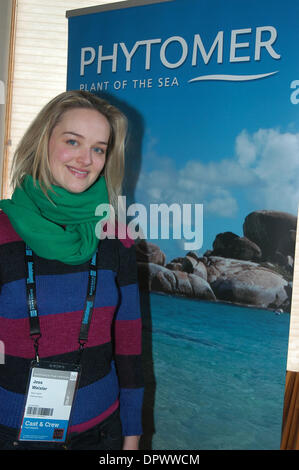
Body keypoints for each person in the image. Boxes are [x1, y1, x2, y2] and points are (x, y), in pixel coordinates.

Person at [0, 90, 144, 450]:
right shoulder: (2, 234)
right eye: (72, 141)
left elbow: (129, 347)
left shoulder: (117, 239)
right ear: (42, 142)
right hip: (12, 434)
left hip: (102, 433)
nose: (86, 159)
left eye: (99, 148)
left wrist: (132, 434)